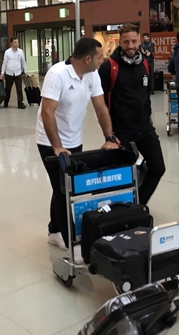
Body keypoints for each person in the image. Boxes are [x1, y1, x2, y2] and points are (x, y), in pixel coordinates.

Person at [37, 37, 119, 260]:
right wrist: (57, 147)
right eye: (100, 57)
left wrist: (109, 137)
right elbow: (47, 112)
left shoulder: (92, 75)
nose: (104, 60)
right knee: (65, 190)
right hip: (49, 142)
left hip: (74, 140)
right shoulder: (57, 75)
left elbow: (100, 107)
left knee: (62, 186)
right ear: (87, 58)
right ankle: (71, 240)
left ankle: (54, 229)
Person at [99, 24, 165, 204]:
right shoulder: (108, 68)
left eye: (134, 41)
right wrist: (109, 136)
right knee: (122, 175)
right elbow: (101, 105)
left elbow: (146, 96)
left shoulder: (144, 63)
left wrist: (149, 119)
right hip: (121, 131)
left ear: (139, 41)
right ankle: (122, 208)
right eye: (126, 41)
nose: (130, 45)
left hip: (144, 127)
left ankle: (138, 205)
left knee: (158, 167)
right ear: (119, 42)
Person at [0, 37, 27, 109]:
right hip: (9, 73)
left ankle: (20, 103)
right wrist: (2, 73)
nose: (16, 44)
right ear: (11, 43)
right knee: (8, 89)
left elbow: (23, 62)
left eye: (17, 42)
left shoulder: (21, 52)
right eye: (15, 42)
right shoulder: (7, 52)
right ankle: (6, 102)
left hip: (18, 73)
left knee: (19, 89)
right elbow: (4, 63)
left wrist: (25, 71)